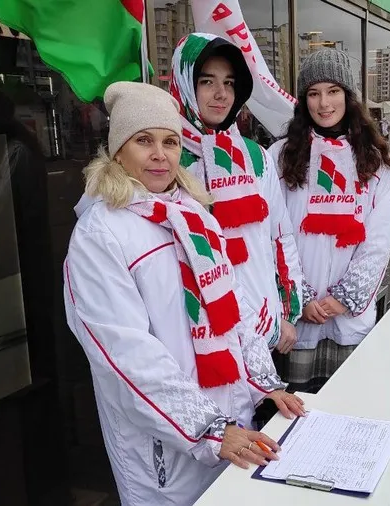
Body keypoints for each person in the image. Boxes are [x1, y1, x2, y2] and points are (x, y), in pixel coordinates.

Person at [63, 81, 304, 505]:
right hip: (165, 444)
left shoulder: (195, 216)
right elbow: (125, 357)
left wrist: (265, 385)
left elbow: (235, 314)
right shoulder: (100, 234)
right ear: (118, 151)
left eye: (170, 141)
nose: (160, 154)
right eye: (144, 141)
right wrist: (207, 428)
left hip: (232, 424)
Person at [268, 48, 390, 393]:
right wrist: (301, 297)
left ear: (349, 96)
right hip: (300, 318)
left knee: (349, 406)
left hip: (349, 317)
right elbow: (276, 235)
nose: (324, 103)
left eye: (333, 91)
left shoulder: (376, 164)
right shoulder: (280, 157)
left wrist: (344, 298)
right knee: (298, 414)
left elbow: (378, 243)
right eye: (313, 93)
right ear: (303, 101)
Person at [169, 33, 305, 357]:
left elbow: (280, 236)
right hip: (203, 345)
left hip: (266, 335)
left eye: (229, 83)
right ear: (185, 83)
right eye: (207, 81)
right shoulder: (168, 164)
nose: (221, 94)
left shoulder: (256, 157)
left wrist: (288, 313)